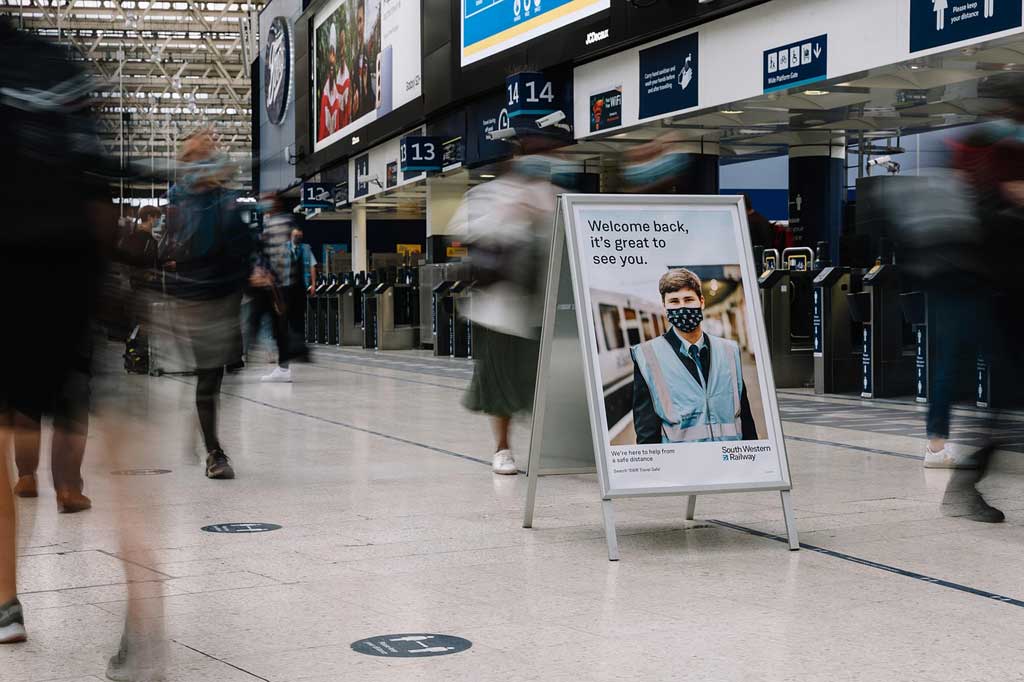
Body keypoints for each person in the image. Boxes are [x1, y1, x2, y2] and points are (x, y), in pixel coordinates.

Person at [0, 16, 109, 643]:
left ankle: (6, 600)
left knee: (15, 411)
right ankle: (68, 485)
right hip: (63, 271)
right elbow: (92, 180)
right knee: (69, 400)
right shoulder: (54, 61)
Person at [455, 135, 566, 474]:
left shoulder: (558, 196)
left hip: (547, 309)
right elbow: (468, 236)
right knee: (500, 382)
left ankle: (558, 446)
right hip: (501, 311)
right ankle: (502, 448)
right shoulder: (487, 195)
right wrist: (511, 216)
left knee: (546, 380)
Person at [160, 129, 252, 480]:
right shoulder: (180, 197)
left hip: (227, 291)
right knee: (209, 373)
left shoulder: (224, 195)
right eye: (199, 145)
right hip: (196, 293)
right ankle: (214, 451)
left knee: (222, 370)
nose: (208, 146)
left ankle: (205, 433)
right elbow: (173, 246)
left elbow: (229, 172)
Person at [632, 268, 758, 444]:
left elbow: (744, 416)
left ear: (702, 302)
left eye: (688, 299)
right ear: (665, 308)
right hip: (683, 466)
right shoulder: (647, 356)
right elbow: (647, 431)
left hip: (731, 462)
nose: (682, 307)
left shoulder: (729, 350)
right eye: (674, 301)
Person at [251, 197, 316, 383]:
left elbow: (279, 255)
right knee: (279, 325)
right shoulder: (280, 222)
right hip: (283, 285)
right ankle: (282, 366)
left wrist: (268, 277)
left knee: (278, 325)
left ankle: (282, 366)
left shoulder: (279, 223)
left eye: (266, 200)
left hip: (282, 286)